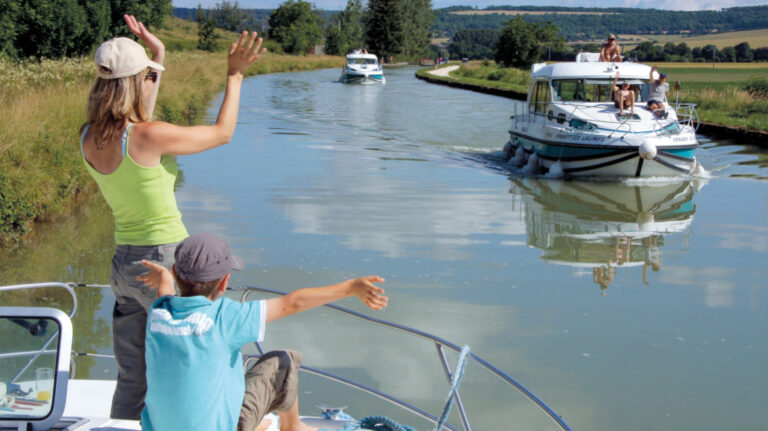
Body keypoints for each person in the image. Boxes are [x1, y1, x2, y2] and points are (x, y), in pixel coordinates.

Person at [80, 15, 267, 420]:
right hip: (163, 262)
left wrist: (158, 53)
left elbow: (140, 114)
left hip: (123, 268)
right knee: (194, 362)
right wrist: (234, 76)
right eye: (149, 75)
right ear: (137, 82)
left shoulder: (89, 137)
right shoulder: (148, 136)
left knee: (134, 375)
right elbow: (223, 133)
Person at [135, 233, 388, 431]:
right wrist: (349, 287)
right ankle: (293, 427)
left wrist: (166, 278)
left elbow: (165, 295)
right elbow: (293, 302)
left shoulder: (158, 314)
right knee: (282, 363)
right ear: (225, 282)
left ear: (177, 273)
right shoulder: (226, 317)